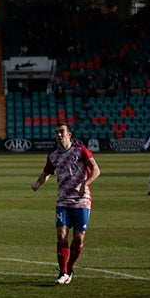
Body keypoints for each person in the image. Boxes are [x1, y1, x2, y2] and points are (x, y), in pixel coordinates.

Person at [31, 122, 101, 285]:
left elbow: (96, 170)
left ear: (69, 134)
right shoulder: (53, 155)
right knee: (61, 235)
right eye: (56, 132)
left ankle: (70, 267)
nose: (59, 135)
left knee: (78, 238)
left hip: (81, 200)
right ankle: (63, 272)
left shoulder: (80, 151)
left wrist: (85, 183)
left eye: (62, 132)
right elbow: (47, 172)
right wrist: (38, 183)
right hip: (63, 200)